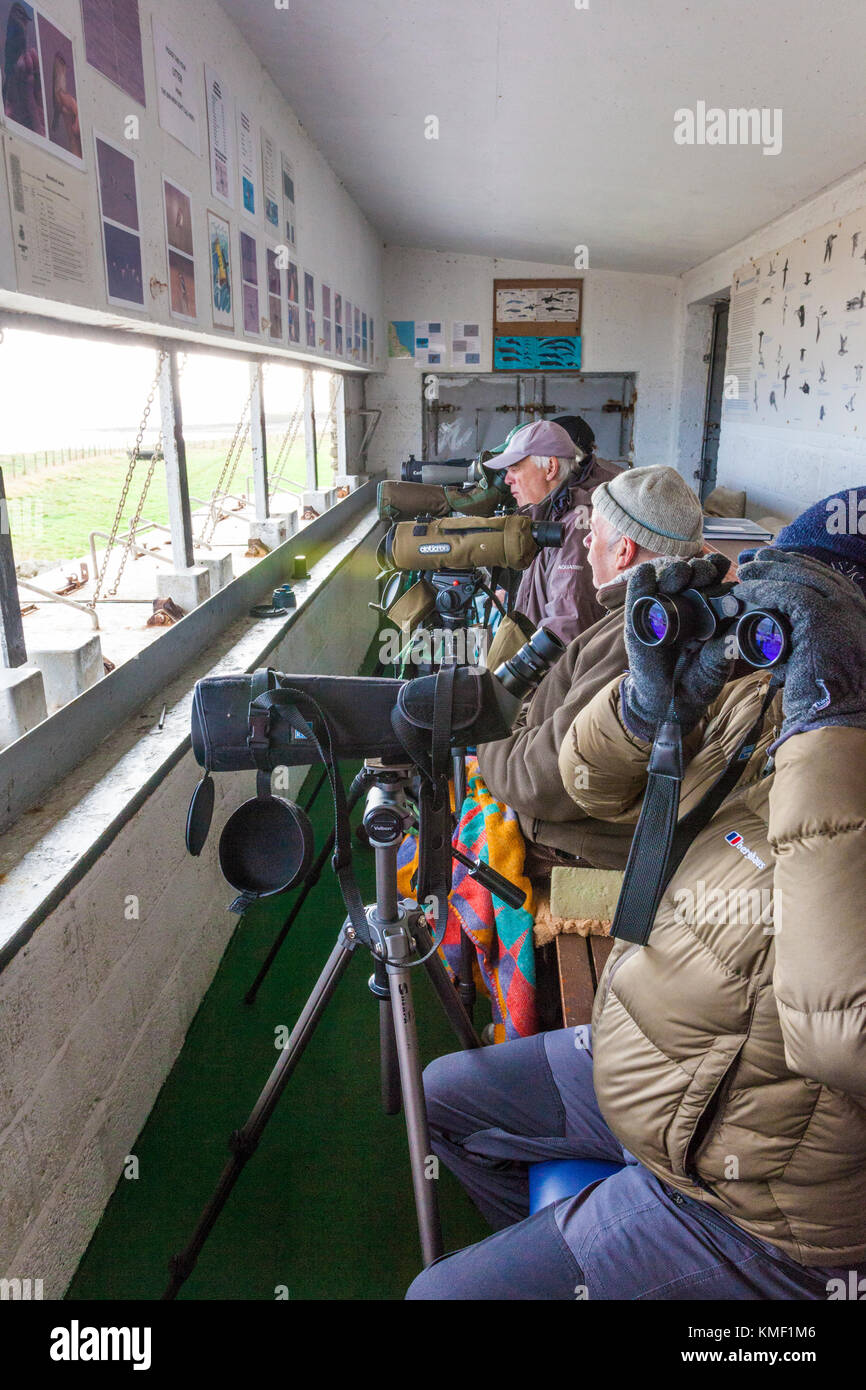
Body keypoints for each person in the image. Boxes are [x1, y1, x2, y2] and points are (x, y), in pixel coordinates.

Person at [407, 487, 866, 1300]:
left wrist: (832, 727)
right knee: (442, 1096)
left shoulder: (827, 733)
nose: (779, 640)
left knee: (437, 1299)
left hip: (764, 1196)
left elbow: (840, 1036)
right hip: (665, 1056)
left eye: (815, 622)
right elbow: (586, 784)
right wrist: (648, 705)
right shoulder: (765, 699)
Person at [478, 465, 705, 878]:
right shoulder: (672, 609)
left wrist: (487, 733)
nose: (585, 541)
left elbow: (539, 781)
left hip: (585, 848)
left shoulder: (638, 639)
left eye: (594, 532)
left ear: (624, 552)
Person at [484, 419, 622, 646]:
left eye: (515, 468)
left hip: (555, 676)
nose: (508, 479)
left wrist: (523, 675)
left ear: (550, 468)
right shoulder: (553, 513)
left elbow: (566, 628)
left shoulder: (576, 525)